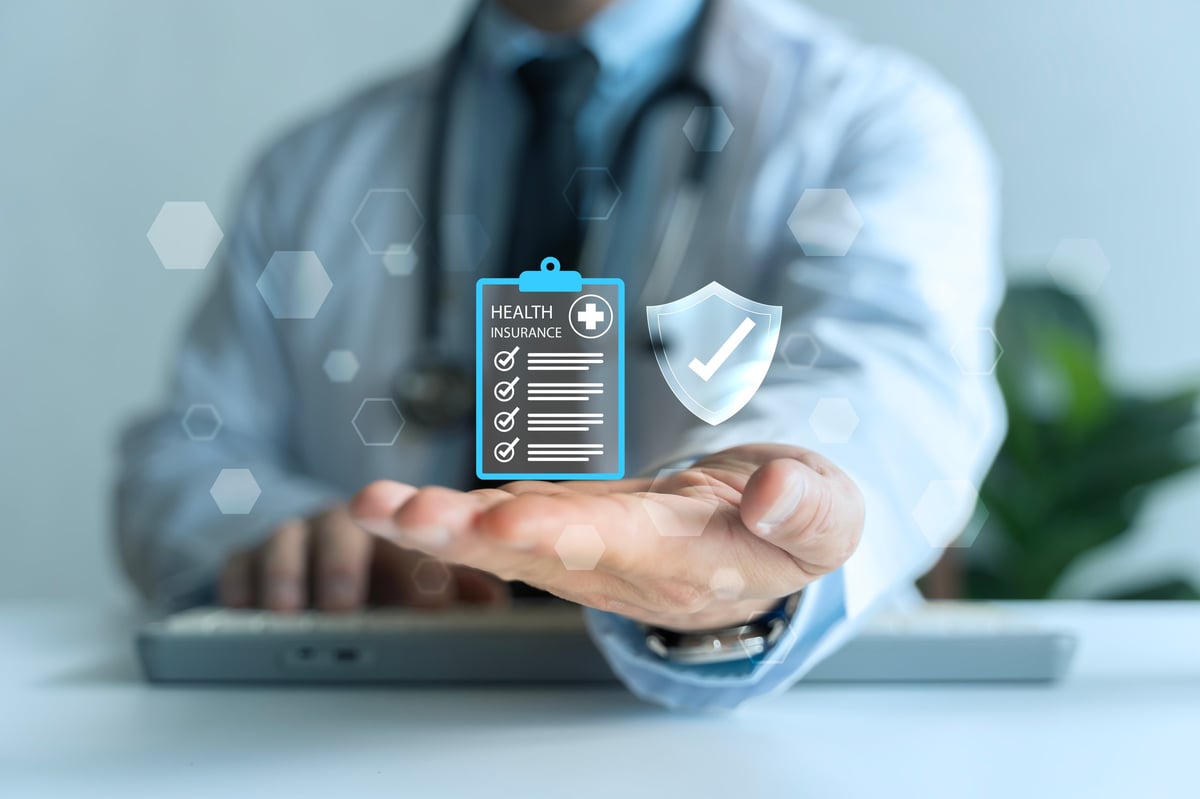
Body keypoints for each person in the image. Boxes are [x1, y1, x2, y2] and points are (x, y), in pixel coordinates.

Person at [116, 0, 1005, 710]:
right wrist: (293, 535)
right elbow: (186, 455)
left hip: (732, 746)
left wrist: (742, 522)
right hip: (374, 729)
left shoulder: (873, 123)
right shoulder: (313, 166)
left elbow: (893, 385)